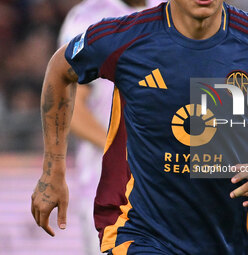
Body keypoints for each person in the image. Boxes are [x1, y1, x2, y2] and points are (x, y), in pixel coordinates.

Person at [31, 0, 248, 254]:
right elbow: (60, 68)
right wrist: (52, 172)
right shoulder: (126, 38)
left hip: (231, 239)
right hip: (139, 232)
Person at [57, 0, 158, 254]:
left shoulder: (178, 8)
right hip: (110, 191)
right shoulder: (88, 18)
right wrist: (125, 152)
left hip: (174, 187)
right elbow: (69, 108)